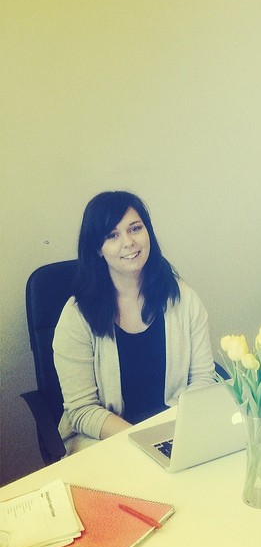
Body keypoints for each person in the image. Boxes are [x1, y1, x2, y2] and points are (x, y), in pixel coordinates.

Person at [53, 191, 217, 454]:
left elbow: (202, 378)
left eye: (135, 228)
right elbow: (82, 410)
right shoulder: (77, 315)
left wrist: (178, 430)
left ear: (147, 232)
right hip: (104, 440)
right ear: (97, 248)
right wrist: (145, 440)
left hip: (174, 430)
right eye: (112, 235)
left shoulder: (182, 298)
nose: (128, 242)